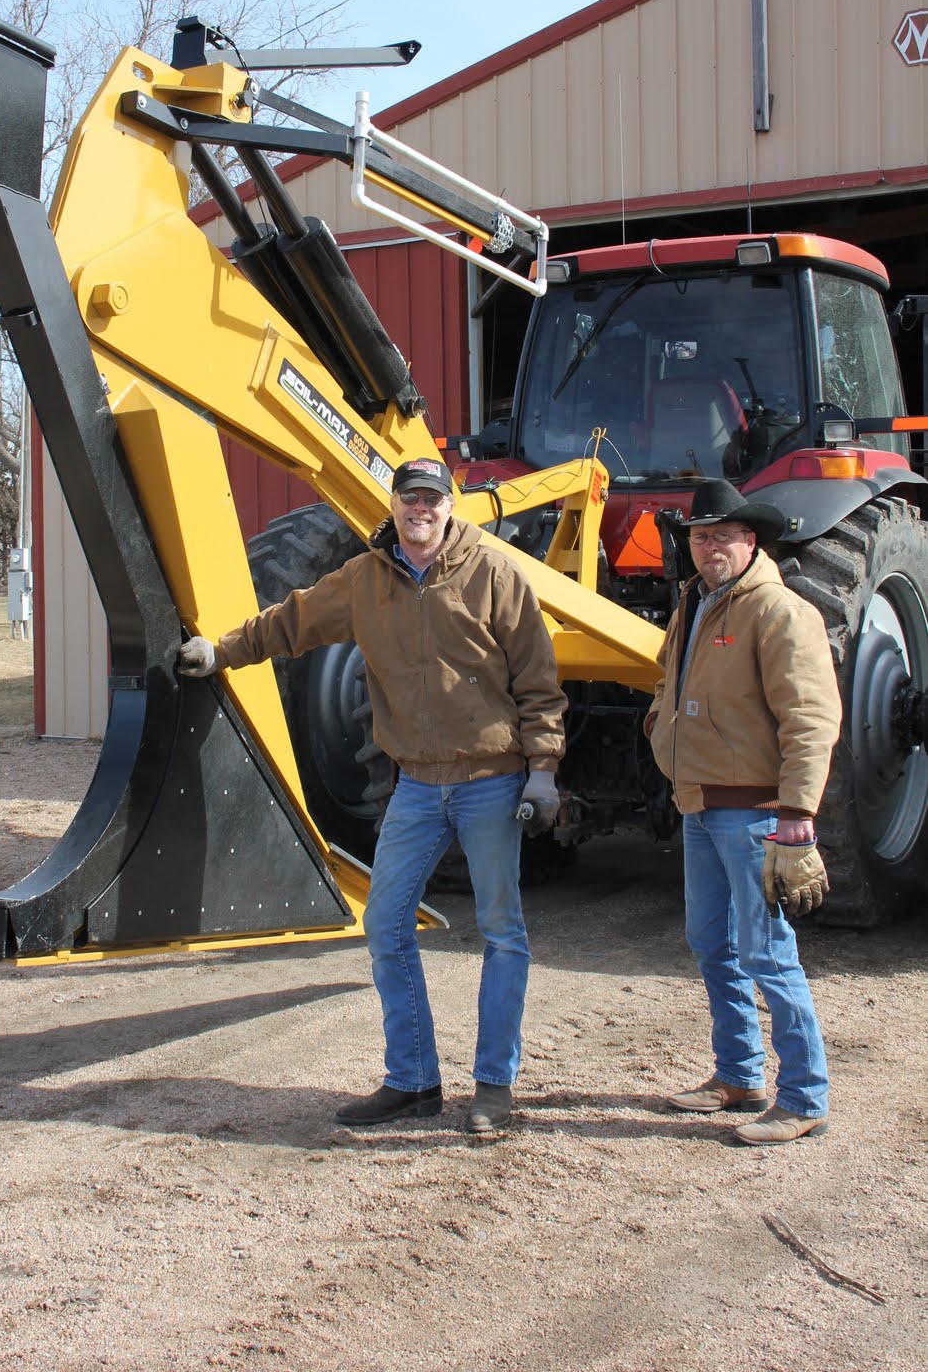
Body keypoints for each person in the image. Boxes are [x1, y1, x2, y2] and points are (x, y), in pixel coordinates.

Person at [178, 458, 567, 1134]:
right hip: (416, 787)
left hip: (489, 781)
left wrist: (541, 770)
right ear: (392, 504)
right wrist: (219, 653)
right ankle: (411, 1079)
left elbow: (538, 683)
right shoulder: (364, 580)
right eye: (408, 498)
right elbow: (289, 622)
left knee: (502, 934)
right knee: (386, 927)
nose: (420, 509)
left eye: (431, 499)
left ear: (449, 507)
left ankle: (493, 1088)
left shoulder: (496, 575)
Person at [644, 477, 841, 1146]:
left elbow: (810, 718)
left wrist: (795, 814)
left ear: (749, 541)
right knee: (711, 945)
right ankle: (737, 1076)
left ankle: (804, 1097)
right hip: (698, 807)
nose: (710, 547)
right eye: (700, 537)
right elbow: (666, 679)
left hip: (755, 815)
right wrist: (656, 724)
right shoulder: (695, 603)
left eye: (723, 535)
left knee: (766, 952)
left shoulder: (778, 612)